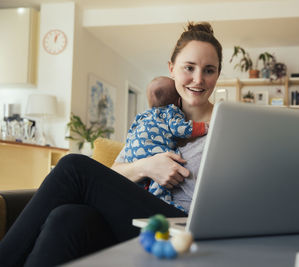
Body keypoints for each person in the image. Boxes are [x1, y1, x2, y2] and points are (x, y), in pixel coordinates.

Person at [0, 21, 221, 266]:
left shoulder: (227, 125)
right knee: (67, 217)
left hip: (183, 227)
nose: (198, 79)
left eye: (209, 70)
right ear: (171, 68)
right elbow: (114, 173)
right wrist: (146, 166)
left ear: (218, 74)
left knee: (74, 166)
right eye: (189, 67)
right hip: (138, 220)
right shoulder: (153, 121)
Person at [124, 76, 209, 211]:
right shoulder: (170, 111)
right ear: (178, 101)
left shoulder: (142, 116)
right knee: (160, 177)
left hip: (132, 153)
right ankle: (164, 200)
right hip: (153, 155)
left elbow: (130, 135)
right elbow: (181, 129)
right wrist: (204, 127)